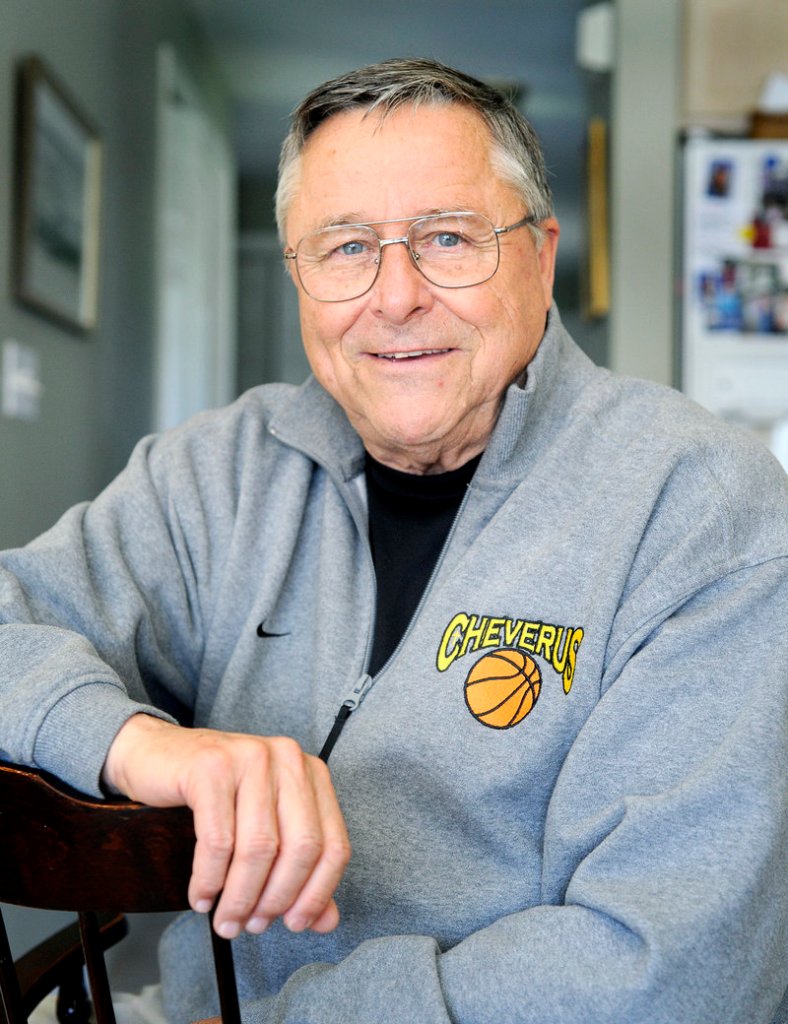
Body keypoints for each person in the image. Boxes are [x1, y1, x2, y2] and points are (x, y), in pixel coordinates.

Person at [1, 57, 786, 1024]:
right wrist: (140, 744)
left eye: (449, 238)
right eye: (343, 249)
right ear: (298, 275)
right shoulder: (214, 473)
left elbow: (676, 971)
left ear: (540, 257)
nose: (395, 295)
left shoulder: (698, 502)